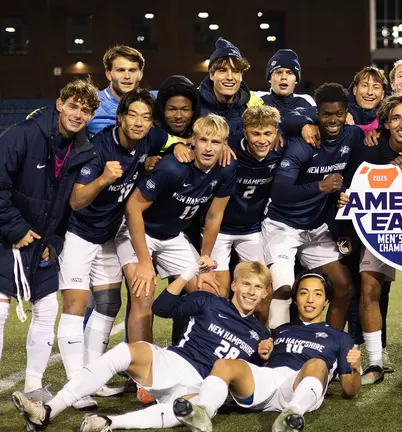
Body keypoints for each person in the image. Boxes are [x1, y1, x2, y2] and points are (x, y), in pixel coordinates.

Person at [12, 260, 272, 431]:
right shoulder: (209, 301)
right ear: (235, 285)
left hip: (201, 384)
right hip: (174, 362)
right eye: (246, 284)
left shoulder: (261, 334)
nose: (250, 291)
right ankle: (48, 410)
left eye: (257, 287)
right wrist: (189, 273)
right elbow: (162, 307)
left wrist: (263, 357)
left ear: (265, 293)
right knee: (126, 351)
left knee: (188, 410)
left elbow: (250, 379)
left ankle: (108, 423)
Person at [56, 89, 184, 408]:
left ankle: (91, 378)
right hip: (78, 234)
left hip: (108, 235)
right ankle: (77, 385)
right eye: (133, 116)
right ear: (120, 118)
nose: (139, 123)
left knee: (109, 304)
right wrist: (102, 179)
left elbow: (168, 140)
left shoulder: (149, 138)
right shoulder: (97, 149)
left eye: (145, 117)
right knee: (75, 304)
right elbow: (76, 200)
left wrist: (180, 145)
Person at [0, 79, 100, 401]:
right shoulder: (22, 134)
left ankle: (33, 386)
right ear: (60, 104)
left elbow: (66, 204)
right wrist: (14, 229)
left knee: (45, 310)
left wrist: (53, 243)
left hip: (42, 242)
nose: (78, 114)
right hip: (8, 238)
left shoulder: (82, 149)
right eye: (74, 106)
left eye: (85, 110)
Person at [337, 93, 402, 385]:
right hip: (382, 229)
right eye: (395, 118)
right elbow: (351, 187)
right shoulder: (369, 152)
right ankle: (374, 362)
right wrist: (344, 197)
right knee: (369, 285)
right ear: (385, 122)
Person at [173, 272, 361, 432]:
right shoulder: (279, 330)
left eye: (317, 294)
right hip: (269, 380)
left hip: (299, 385)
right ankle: (203, 411)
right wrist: (262, 354)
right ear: (295, 299)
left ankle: (292, 415)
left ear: (326, 300)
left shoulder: (340, 337)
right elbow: (256, 365)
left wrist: (355, 367)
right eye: (304, 293)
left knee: (317, 363)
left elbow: (349, 391)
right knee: (225, 363)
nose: (310, 300)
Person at [118, 115, 236, 343]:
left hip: (173, 236)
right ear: (193, 140)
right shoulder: (172, 167)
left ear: (225, 145)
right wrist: (144, 262)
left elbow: (214, 215)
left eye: (216, 142)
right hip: (140, 231)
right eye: (204, 140)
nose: (209, 148)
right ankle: (142, 374)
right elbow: (132, 209)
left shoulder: (227, 168)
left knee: (210, 292)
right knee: (143, 295)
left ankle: (194, 356)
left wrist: (205, 258)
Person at [261, 83, 360, 330]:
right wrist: (320, 186)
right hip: (283, 226)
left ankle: (328, 347)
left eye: (338, 114)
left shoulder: (353, 135)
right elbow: (280, 192)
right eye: (326, 114)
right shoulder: (303, 143)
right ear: (317, 114)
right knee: (283, 290)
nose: (333, 120)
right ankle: (277, 354)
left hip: (316, 228)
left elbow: (372, 155)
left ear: (346, 112)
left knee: (343, 286)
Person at [212, 105, 283, 300]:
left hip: (252, 228)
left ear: (277, 132)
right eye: (256, 134)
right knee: (219, 289)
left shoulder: (281, 148)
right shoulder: (229, 149)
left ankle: (257, 331)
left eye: (268, 133)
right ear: (245, 132)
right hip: (219, 228)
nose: (262, 140)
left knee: (261, 290)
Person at [198, 38, 264, 139]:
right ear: (211, 74)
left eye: (235, 71)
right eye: (222, 70)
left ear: (241, 75)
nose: (229, 77)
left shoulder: (253, 104)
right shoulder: (193, 103)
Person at [87, 45, 145, 136]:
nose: (127, 76)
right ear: (108, 74)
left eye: (132, 70)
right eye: (121, 70)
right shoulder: (90, 102)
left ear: (140, 74)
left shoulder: (154, 101)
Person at [255, 49, 315, 115]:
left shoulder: (307, 103)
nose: (284, 77)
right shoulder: (258, 103)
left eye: (289, 73)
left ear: (296, 80)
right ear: (270, 79)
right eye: (279, 72)